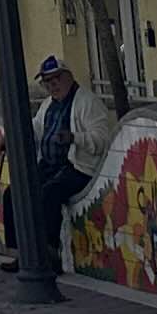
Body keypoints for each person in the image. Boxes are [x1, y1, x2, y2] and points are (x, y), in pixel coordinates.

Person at [17, 56, 91, 261]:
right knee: (17, 192)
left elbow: (101, 139)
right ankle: (23, 253)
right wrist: (11, 136)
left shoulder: (87, 102)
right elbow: (34, 127)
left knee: (49, 193)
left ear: (68, 77)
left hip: (77, 167)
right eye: (47, 82)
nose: (52, 86)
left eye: (56, 79)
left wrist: (74, 137)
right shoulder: (48, 105)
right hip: (50, 165)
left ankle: (50, 253)